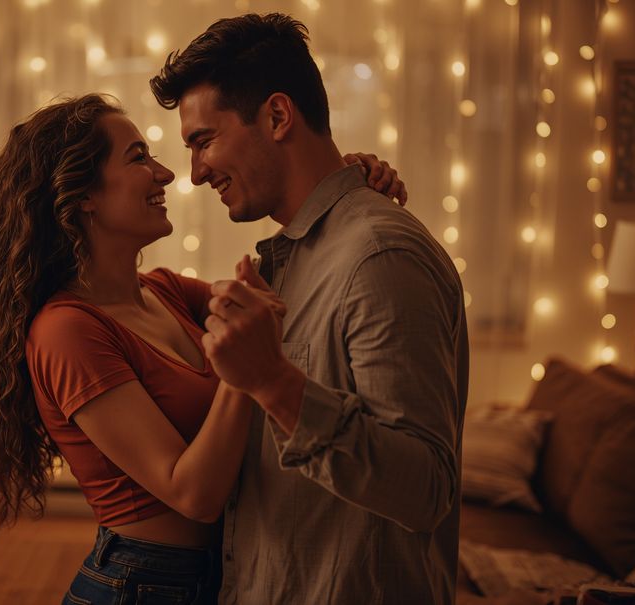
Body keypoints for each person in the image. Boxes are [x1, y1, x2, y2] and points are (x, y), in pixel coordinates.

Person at [0, 94, 404, 604]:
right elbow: (193, 494)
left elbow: (279, 303)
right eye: (138, 157)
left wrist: (339, 191)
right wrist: (243, 374)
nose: (165, 174)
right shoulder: (66, 331)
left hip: (216, 576)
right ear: (82, 196)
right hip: (140, 586)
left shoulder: (165, 290)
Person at [150, 12, 469, 604]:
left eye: (203, 140)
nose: (194, 174)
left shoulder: (378, 257)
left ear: (276, 116)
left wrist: (272, 382)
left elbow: (426, 488)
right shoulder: (291, 258)